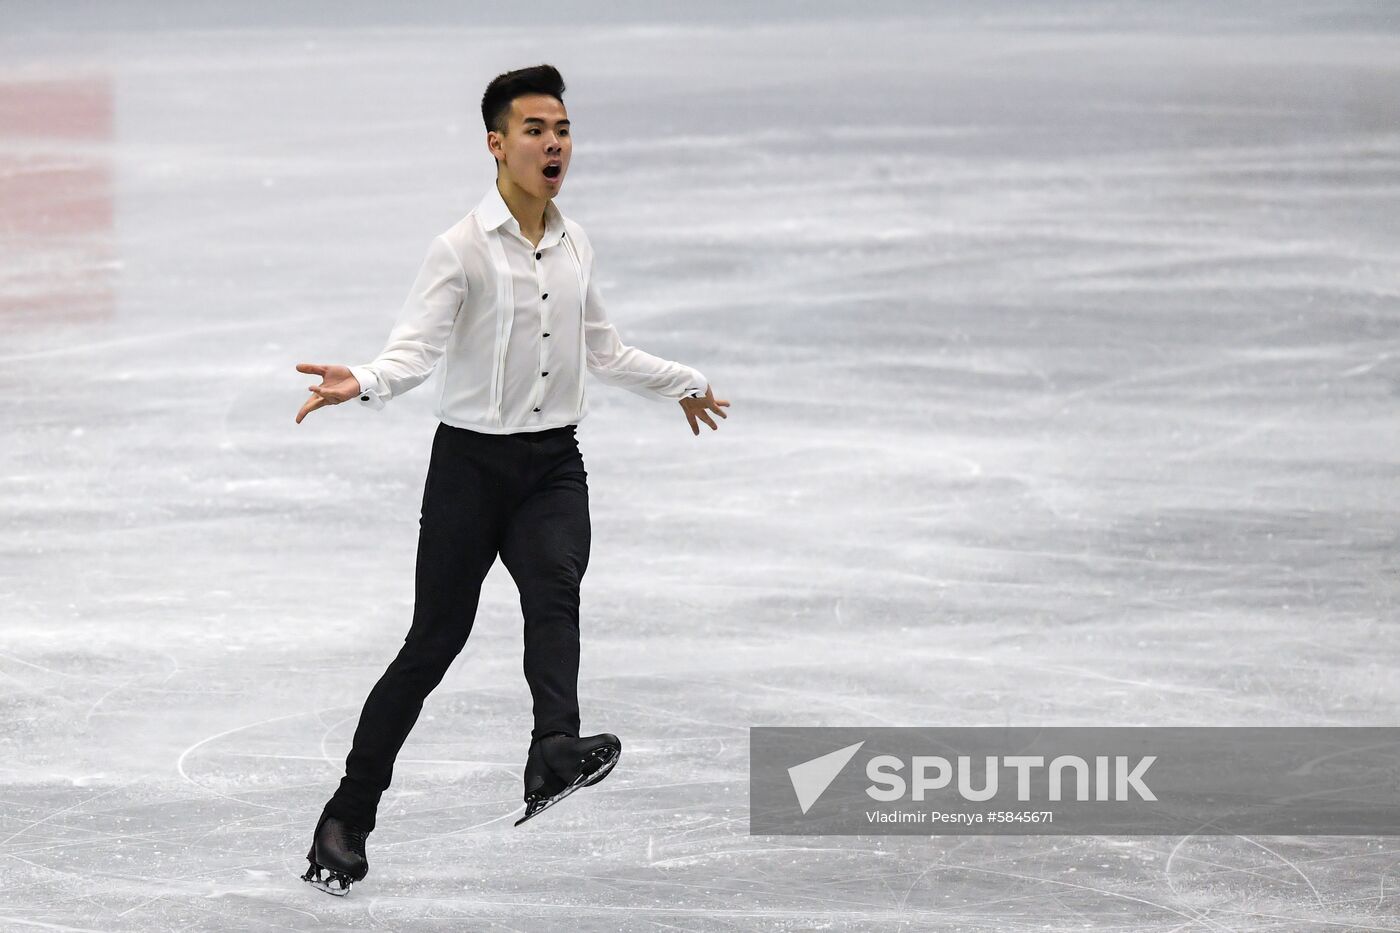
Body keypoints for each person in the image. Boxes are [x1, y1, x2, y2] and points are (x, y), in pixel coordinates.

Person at [292, 64, 729, 895]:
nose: (553, 143)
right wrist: (365, 380)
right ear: (497, 145)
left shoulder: (575, 243)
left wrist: (684, 381)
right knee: (433, 643)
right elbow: (415, 351)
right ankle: (347, 815)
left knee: (554, 589)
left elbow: (601, 350)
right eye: (535, 130)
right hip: (470, 468)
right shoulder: (459, 249)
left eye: (562, 129)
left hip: (552, 465)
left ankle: (553, 748)